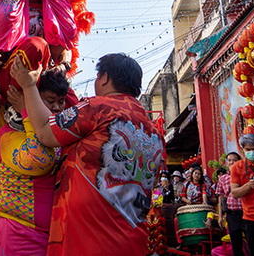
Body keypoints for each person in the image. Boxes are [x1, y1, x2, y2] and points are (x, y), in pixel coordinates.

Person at [11, 52, 165, 256]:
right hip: (133, 241)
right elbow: (154, 186)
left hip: (88, 239)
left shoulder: (97, 107)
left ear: (105, 78)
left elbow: (46, 133)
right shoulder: (155, 133)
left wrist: (28, 86)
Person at [0, 69, 68, 256]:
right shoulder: (9, 134)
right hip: (16, 232)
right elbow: (39, 159)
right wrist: (27, 104)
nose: (56, 108)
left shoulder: (56, 131)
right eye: (50, 100)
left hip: (47, 234)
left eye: (60, 102)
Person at [215, 152, 244, 256]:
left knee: (252, 238)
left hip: (247, 212)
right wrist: (220, 216)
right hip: (232, 214)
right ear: (226, 163)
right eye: (229, 160)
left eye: (234, 160)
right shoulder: (223, 179)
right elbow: (220, 197)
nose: (232, 162)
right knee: (235, 241)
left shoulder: (244, 176)